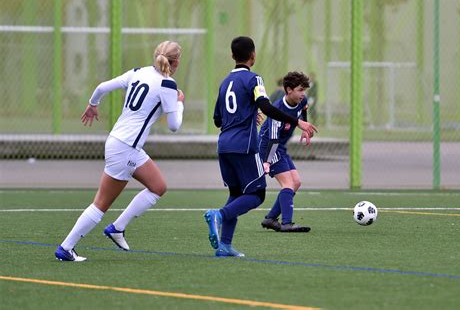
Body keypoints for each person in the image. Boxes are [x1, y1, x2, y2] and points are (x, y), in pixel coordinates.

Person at [54, 41, 185, 262]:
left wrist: (92, 104)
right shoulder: (168, 85)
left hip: (121, 143)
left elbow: (103, 87)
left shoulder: (138, 72)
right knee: (101, 204)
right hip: (125, 148)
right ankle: (66, 247)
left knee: (158, 187)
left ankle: (117, 228)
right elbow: (174, 125)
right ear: (177, 62)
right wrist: (180, 103)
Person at [203, 36, 317, 257]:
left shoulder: (225, 82)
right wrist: (297, 121)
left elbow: (217, 119)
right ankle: (219, 215)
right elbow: (265, 105)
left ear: (232, 55)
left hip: (224, 145)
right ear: (253, 56)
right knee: (257, 195)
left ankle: (225, 245)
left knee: (236, 193)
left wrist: (248, 113)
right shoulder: (254, 80)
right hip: (244, 145)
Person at [259, 71, 313, 232]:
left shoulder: (302, 101)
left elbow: (303, 110)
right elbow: (273, 139)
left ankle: (270, 219)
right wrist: (267, 161)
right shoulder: (277, 111)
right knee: (288, 183)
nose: (303, 94)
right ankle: (287, 223)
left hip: (280, 147)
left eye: (304, 90)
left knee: (296, 182)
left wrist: (304, 127)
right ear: (289, 90)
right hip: (269, 146)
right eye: (300, 90)